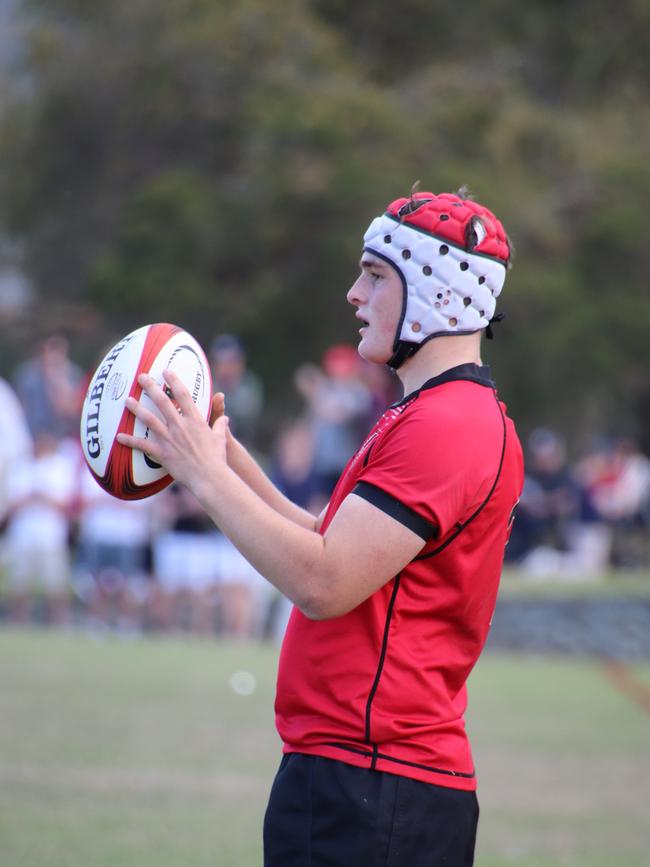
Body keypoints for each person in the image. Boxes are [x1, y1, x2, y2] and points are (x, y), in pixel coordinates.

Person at [118, 188, 524, 867]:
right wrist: (221, 454)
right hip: (365, 777)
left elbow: (325, 580)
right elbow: (327, 540)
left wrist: (203, 474)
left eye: (374, 273)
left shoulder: (449, 425)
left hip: (376, 782)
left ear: (438, 291)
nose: (353, 293)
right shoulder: (431, 413)